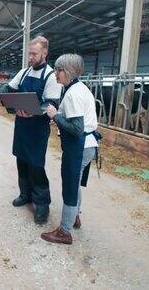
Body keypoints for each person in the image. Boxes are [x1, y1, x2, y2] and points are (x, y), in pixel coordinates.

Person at [0, 36, 62, 223]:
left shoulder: (50, 76)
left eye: (34, 54)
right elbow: (9, 87)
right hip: (21, 126)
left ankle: (42, 205)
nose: (30, 57)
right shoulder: (24, 72)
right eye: (29, 54)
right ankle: (25, 195)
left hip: (37, 128)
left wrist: (34, 113)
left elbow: (51, 104)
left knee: (36, 166)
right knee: (22, 162)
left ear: (44, 53)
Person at [41, 54, 100, 244]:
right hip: (87, 145)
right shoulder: (78, 88)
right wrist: (59, 118)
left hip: (79, 145)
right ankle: (74, 217)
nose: (55, 74)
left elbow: (76, 128)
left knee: (69, 187)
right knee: (74, 183)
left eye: (58, 70)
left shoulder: (73, 93)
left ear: (67, 72)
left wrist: (55, 116)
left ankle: (64, 232)